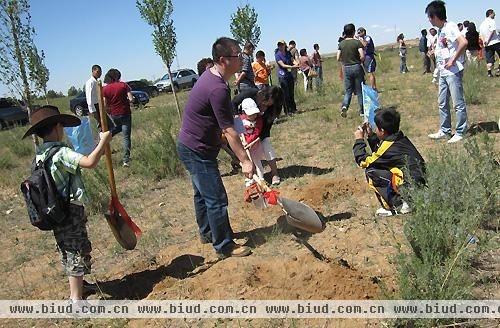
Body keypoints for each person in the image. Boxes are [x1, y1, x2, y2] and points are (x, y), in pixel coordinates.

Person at [22, 105, 112, 302]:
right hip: (69, 209)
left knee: (66, 246)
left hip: (54, 210)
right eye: (61, 126)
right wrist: (103, 141)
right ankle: (76, 298)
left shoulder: (40, 155)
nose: (63, 129)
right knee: (76, 249)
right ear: (56, 128)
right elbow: (89, 162)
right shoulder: (61, 152)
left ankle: (80, 285)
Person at [177, 37, 254, 258]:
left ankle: (207, 232)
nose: (241, 58)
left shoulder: (214, 77)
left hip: (192, 145)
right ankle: (224, 246)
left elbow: (221, 126)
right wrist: (245, 161)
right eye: (236, 55)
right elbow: (229, 131)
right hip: (196, 150)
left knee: (202, 194)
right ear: (223, 59)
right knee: (216, 198)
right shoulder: (217, 88)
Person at [353, 108, 426, 217]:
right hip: (420, 184)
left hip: (410, 188)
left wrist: (359, 140)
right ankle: (408, 200)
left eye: (376, 128)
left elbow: (364, 162)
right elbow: (382, 156)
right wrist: (371, 136)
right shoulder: (398, 138)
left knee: (371, 171)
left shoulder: (389, 145)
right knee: (381, 167)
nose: (375, 130)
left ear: (382, 131)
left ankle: (398, 205)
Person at [425, 0, 468, 143]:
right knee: (442, 102)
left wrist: (453, 60)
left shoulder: (451, 26)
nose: (429, 20)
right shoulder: (440, 30)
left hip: (453, 72)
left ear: (435, 16)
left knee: (458, 103)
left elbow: (463, 42)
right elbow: (445, 48)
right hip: (443, 72)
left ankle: (461, 131)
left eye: (430, 17)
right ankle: (445, 130)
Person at [102, 68, 134, 166]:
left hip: (114, 114)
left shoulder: (105, 89)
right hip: (125, 113)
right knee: (126, 137)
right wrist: (130, 100)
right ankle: (126, 160)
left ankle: (106, 137)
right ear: (117, 76)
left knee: (118, 128)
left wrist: (108, 110)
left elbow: (104, 104)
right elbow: (131, 99)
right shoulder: (124, 85)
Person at [256, 85, 283, 185]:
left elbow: (266, 129)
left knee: (267, 146)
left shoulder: (272, 110)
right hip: (246, 128)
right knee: (251, 155)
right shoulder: (253, 95)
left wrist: (257, 138)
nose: (267, 102)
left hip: (261, 132)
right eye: (267, 99)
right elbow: (235, 102)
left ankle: (274, 173)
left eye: (270, 102)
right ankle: (257, 177)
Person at [337, 23, 365, 118]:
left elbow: (338, 57)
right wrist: (359, 60)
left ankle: (345, 106)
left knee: (348, 91)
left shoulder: (341, 44)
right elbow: (362, 55)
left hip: (346, 68)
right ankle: (362, 111)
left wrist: (345, 60)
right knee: (360, 91)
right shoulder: (357, 42)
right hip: (356, 66)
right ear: (353, 31)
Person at [240, 98, 265, 179]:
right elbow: (239, 133)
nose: (253, 116)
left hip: (255, 145)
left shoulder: (258, 120)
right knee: (248, 164)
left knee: (257, 162)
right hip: (244, 147)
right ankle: (250, 179)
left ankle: (261, 178)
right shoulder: (240, 121)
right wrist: (243, 142)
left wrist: (249, 142)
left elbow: (256, 133)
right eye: (251, 114)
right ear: (244, 112)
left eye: (255, 114)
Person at [275, 40, 299, 116]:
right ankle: (287, 111)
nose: (281, 46)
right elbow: (282, 65)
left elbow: (292, 60)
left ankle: (293, 109)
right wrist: (292, 67)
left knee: (291, 93)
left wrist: (297, 63)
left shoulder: (288, 53)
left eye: (282, 45)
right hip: (282, 76)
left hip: (289, 75)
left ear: (285, 45)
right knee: (286, 94)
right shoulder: (277, 55)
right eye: (279, 45)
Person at [479, 9, 500, 77]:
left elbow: (481, 35)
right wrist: (488, 40)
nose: (495, 15)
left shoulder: (482, 24)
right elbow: (492, 31)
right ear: (490, 14)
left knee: (489, 60)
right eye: (494, 13)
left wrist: (485, 41)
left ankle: (489, 73)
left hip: (487, 44)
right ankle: (498, 69)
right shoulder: (492, 21)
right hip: (495, 42)